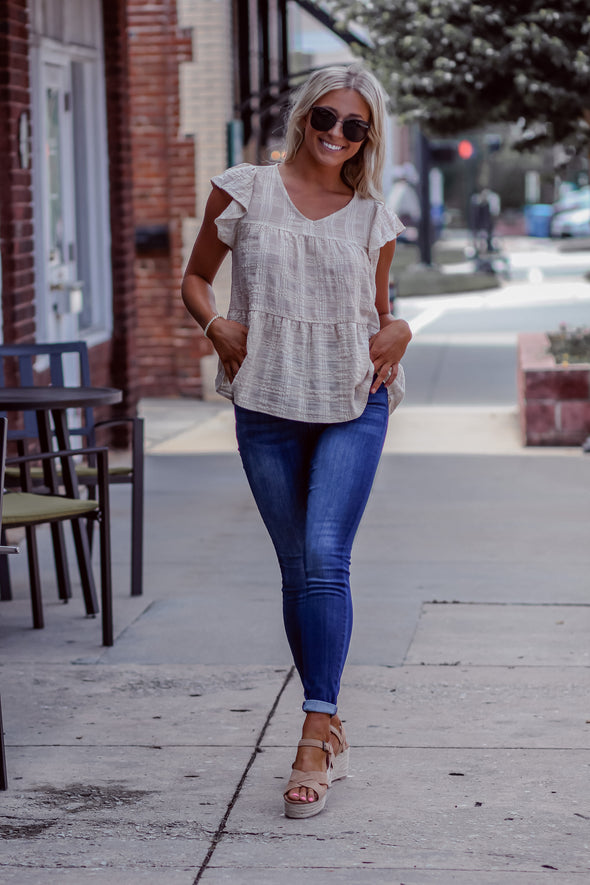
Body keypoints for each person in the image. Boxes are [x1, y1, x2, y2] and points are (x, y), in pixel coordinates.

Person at [181, 63, 411, 819]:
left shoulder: (373, 216)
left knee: (322, 555)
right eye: (326, 119)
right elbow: (194, 280)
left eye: (355, 127)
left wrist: (402, 329)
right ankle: (332, 723)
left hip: (353, 399)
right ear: (304, 118)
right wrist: (217, 328)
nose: (337, 135)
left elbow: (379, 313)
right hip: (268, 402)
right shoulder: (244, 188)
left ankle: (315, 729)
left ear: (367, 137)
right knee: (296, 568)